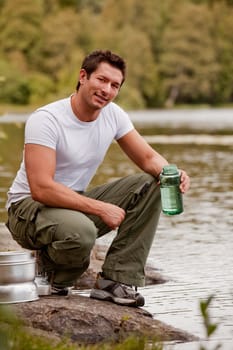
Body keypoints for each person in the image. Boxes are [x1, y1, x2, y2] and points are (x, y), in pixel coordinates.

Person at [6, 50, 190, 307]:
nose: (107, 89)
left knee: (153, 183)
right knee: (81, 233)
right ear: (83, 77)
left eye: (114, 85)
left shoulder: (113, 115)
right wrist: (101, 208)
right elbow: (41, 188)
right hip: (28, 209)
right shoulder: (46, 119)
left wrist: (172, 173)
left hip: (70, 204)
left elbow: (148, 158)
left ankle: (116, 281)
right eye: (102, 80)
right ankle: (50, 272)